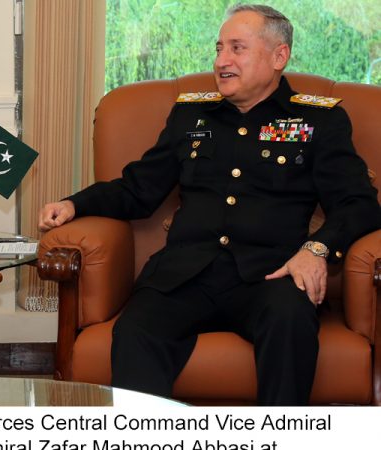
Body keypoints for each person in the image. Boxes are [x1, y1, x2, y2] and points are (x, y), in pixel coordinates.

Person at [38, 4, 380, 405]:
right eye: (219, 49)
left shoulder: (317, 121)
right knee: (136, 330)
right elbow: (139, 189)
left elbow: (358, 204)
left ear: (279, 56)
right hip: (185, 274)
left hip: (271, 276)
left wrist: (317, 249)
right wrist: (75, 204)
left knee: (290, 322)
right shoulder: (191, 115)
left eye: (237, 48)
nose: (221, 61)